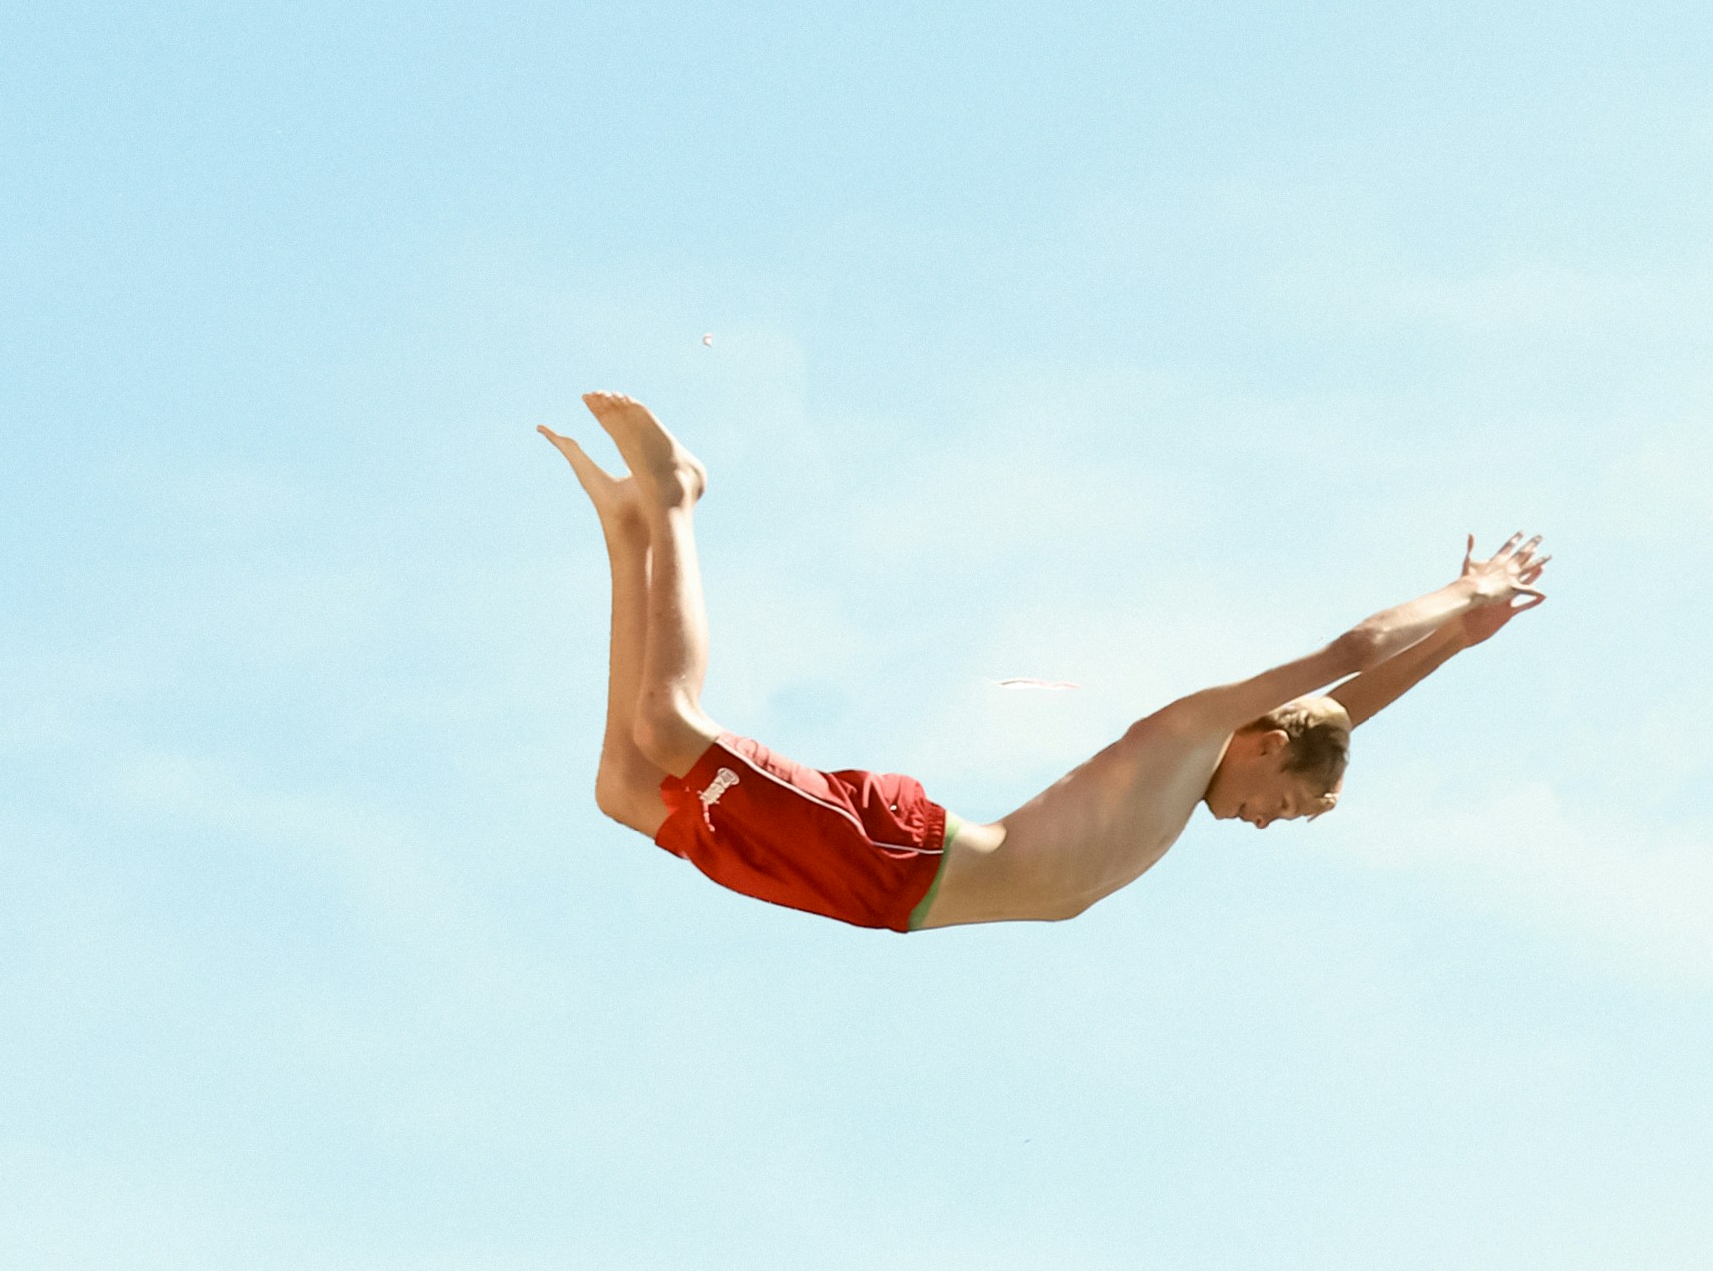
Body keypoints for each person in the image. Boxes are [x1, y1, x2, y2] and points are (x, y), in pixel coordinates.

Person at [543, 386, 1546, 936]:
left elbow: (1345, 709)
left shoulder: (1221, 765)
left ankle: (626, 532)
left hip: (879, 899)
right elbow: (1348, 655)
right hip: (901, 859)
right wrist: (1470, 591)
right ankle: (672, 498)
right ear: (1262, 742)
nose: (1260, 824)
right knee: (668, 728)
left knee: (625, 787)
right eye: (1277, 804)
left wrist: (1455, 646)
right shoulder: (1193, 730)